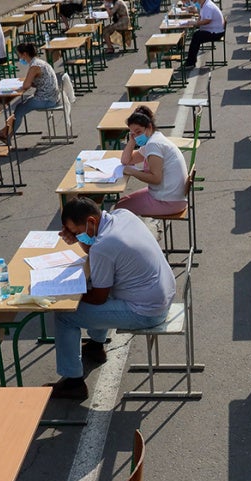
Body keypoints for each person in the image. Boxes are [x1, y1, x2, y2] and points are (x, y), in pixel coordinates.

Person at [50, 197, 176, 400]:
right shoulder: (123, 215)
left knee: (65, 315)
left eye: (76, 232)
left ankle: (73, 382)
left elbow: (99, 298)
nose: (75, 236)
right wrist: (80, 239)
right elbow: (95, 251)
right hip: (162, 295)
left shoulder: (103, 245)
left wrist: (65, 295)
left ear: (91, 221)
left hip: (147, 312)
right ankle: (95, 346)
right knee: (96, 282)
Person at [115, 105, 189, 217]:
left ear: (149, 126)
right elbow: (126, 160)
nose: (136, 136)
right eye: (133, 133)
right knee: (122, 202)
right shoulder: (154, 138)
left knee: (119, 209)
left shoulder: (154, 145)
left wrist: (133, 172)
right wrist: (132, 141)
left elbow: (156, 179)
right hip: (170, 196)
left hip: (168, 201)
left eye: (138, 132)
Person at [0, 43, 60, 141]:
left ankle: (7, 136)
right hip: (51, 96)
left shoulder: (34, 66)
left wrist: (24, 83)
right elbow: (35, 82)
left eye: (19, 55)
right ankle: (5, 131)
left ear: (24, 54)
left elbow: (26, 85)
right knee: (21, 106)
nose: (19, 57)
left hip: (47, 99)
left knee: (19, 109)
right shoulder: (38, 62)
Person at [185, 0, 225, 70]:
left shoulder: (208, 6)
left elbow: (207, 20)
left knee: (196, 36)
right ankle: (191, 61)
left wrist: (196, 23)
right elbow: (201, 16)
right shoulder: (204, 4)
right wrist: (196, 22)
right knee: (196, 35)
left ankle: (190, 62)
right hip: (212, 30)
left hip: (216, 33)